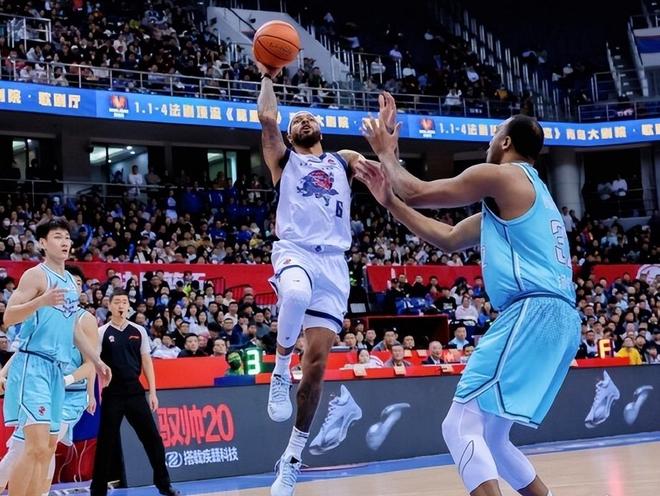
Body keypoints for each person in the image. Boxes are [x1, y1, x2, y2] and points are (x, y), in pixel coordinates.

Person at [356, 93, 579, 496]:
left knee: (458, 425)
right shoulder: (528, 196)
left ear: (506, 142)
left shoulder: (503, 176)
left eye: (495, 135)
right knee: (492, 437)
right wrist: (388, 201)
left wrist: (387, 152)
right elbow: (446, 237)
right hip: (560, 318)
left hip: (532, 311)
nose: (490, 141)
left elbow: (418, 191)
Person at [256, 60, 366, 496]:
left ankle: (292, 458)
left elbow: (380, 174)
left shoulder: (344, 160)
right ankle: (280, 369)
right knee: (296, 293)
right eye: (296, 119)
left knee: (317, 368)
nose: (303, 120)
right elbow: (268, 118)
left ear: (321, 130)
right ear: (290, 135)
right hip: (295, 251)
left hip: (335, 264)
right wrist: (268, 75)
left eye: (310, 117)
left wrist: (386, 154)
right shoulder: (283, 160)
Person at [2, 220, 110, 496]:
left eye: (67, 238)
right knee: (33, 447)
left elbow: (73, 328)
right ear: (42, 243)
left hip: (55, 370)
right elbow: (8, 317)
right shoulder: (35, 276)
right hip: (33, 364)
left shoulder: (71, 284)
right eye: (57, 237)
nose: (64, 242)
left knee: (47, 449)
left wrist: (96, 361)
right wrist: (41, 301)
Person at [91, 290, 179, 496]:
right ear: (109, 305)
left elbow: (147, 362)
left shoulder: (139, 330)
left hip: (135, 393)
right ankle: (98, 490)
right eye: (117, 302)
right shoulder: (101, 332)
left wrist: (153, 392)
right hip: (112, 394)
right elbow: (93, 364)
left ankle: (164, 484)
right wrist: (92, 393)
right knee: (106, 442)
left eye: (124, 302)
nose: (121, 305)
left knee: (153, 439)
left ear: (128, 306)